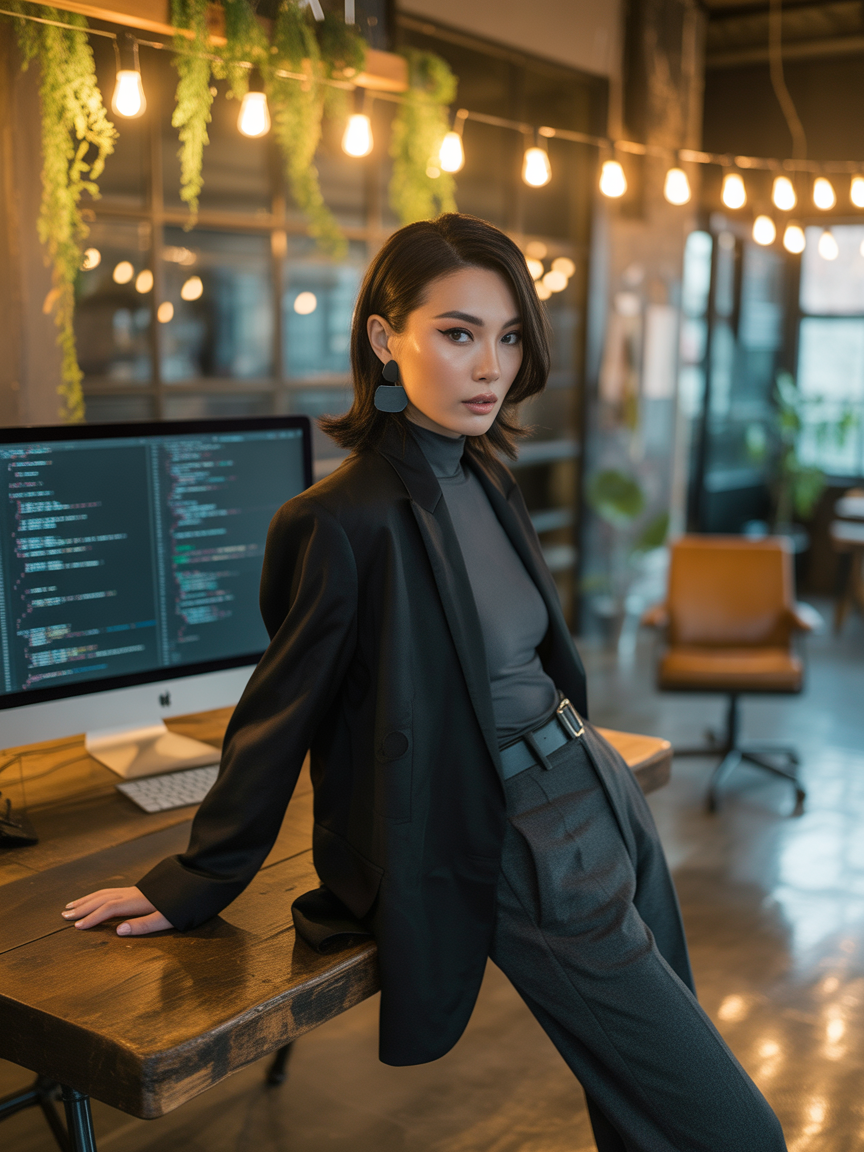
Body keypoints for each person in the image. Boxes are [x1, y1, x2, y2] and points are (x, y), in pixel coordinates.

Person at [63, 214, 786, 1152]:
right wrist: (198, 879)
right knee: (736, 1133)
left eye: (509, 335)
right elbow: (277, 715)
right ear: (383, 339)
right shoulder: (340, 521)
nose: (491, 365)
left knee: (644, 1109)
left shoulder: (487, 475)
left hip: (594, 785)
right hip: (512, 833)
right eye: (458, 333)